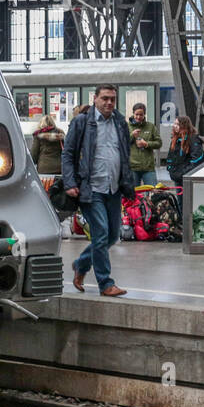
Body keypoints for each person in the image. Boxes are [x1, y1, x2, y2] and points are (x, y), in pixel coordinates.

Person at [61, 85, 133, 296]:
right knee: (100, 234)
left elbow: (125, 154)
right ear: (95, 99)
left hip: (114, 187)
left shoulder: (120, 122)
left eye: (112, 99)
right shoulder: (82, 122)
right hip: (91, 188)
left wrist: (127, 181)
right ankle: (106, 283)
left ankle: (81, 265)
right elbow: (68, 154)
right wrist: (70, 182)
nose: (109, 102)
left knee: (111, 236)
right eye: (105, 98)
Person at [164, 115, 204, 185]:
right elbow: (170, 157)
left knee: (188, 195)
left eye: (177, 124)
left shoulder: (193, 139)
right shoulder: (175, 138)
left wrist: (183, 173)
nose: (175, 126)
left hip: (189, 178)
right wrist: (170, 169)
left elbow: (196, 159)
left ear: (184, 125)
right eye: (174, 123)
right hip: (178, 177)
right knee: (180, 195)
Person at [126, 102, 162, 186]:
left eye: (141, 115)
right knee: (133, 195)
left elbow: (159, 143)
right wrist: (132, 136)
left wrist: (146, 144)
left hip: (148, 167)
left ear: (144, 114)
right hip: (132, 167)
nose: (138, 117)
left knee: (152, 193)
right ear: (133, 114)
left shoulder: (151, 126)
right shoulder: (127, 126)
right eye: (136, 114)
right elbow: (122, 143)